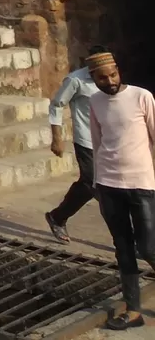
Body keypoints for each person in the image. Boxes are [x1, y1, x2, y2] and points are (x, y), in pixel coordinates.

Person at [87, 50, 155, 330]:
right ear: (94, 79)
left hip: (141, 184)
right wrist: (96, 181)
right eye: (103, 78)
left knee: (148, 246)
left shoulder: (142, 97)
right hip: (108, 184)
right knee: (123, 250)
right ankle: (134, 311)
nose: (110, 81)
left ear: (119, 71)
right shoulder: (94, 101)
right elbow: (97, 141)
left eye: (113, 75)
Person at [44, 43, 109, 243]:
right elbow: (56, 105)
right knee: (90, 182)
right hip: (86, 140)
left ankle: (133, 237)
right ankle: (58, 216)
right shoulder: (76, 80)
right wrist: (57, 138)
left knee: (112, 189)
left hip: (109, 139)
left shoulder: (110, 78)